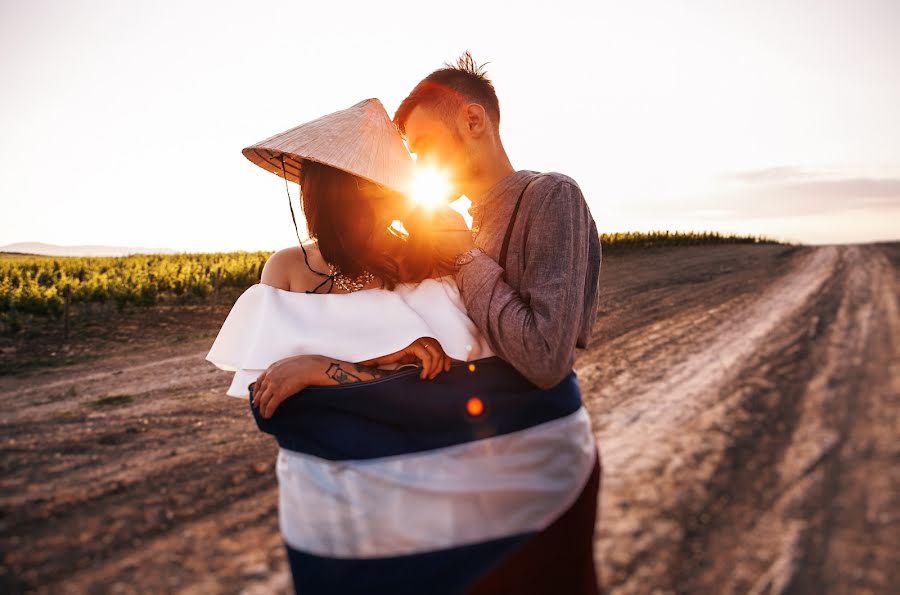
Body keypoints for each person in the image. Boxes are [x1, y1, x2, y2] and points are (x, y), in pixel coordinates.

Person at [206, 97, 598, 595]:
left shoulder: (430, 262)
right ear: (326, 193)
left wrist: (324, 370)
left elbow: (457, 385)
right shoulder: (285, 269)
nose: (378, 201)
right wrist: (329, 369)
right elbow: (271, 394)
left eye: (383, 189)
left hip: (445, 516)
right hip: (335, 516)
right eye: (362, 190)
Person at [387, 52, 605, 592]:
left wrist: (463, 257)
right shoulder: (462, 225)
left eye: (422, 147)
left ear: (473, 120)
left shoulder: (552, 195)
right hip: (481, 471)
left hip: (537, 468)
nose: (420, 166)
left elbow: (546, 357)